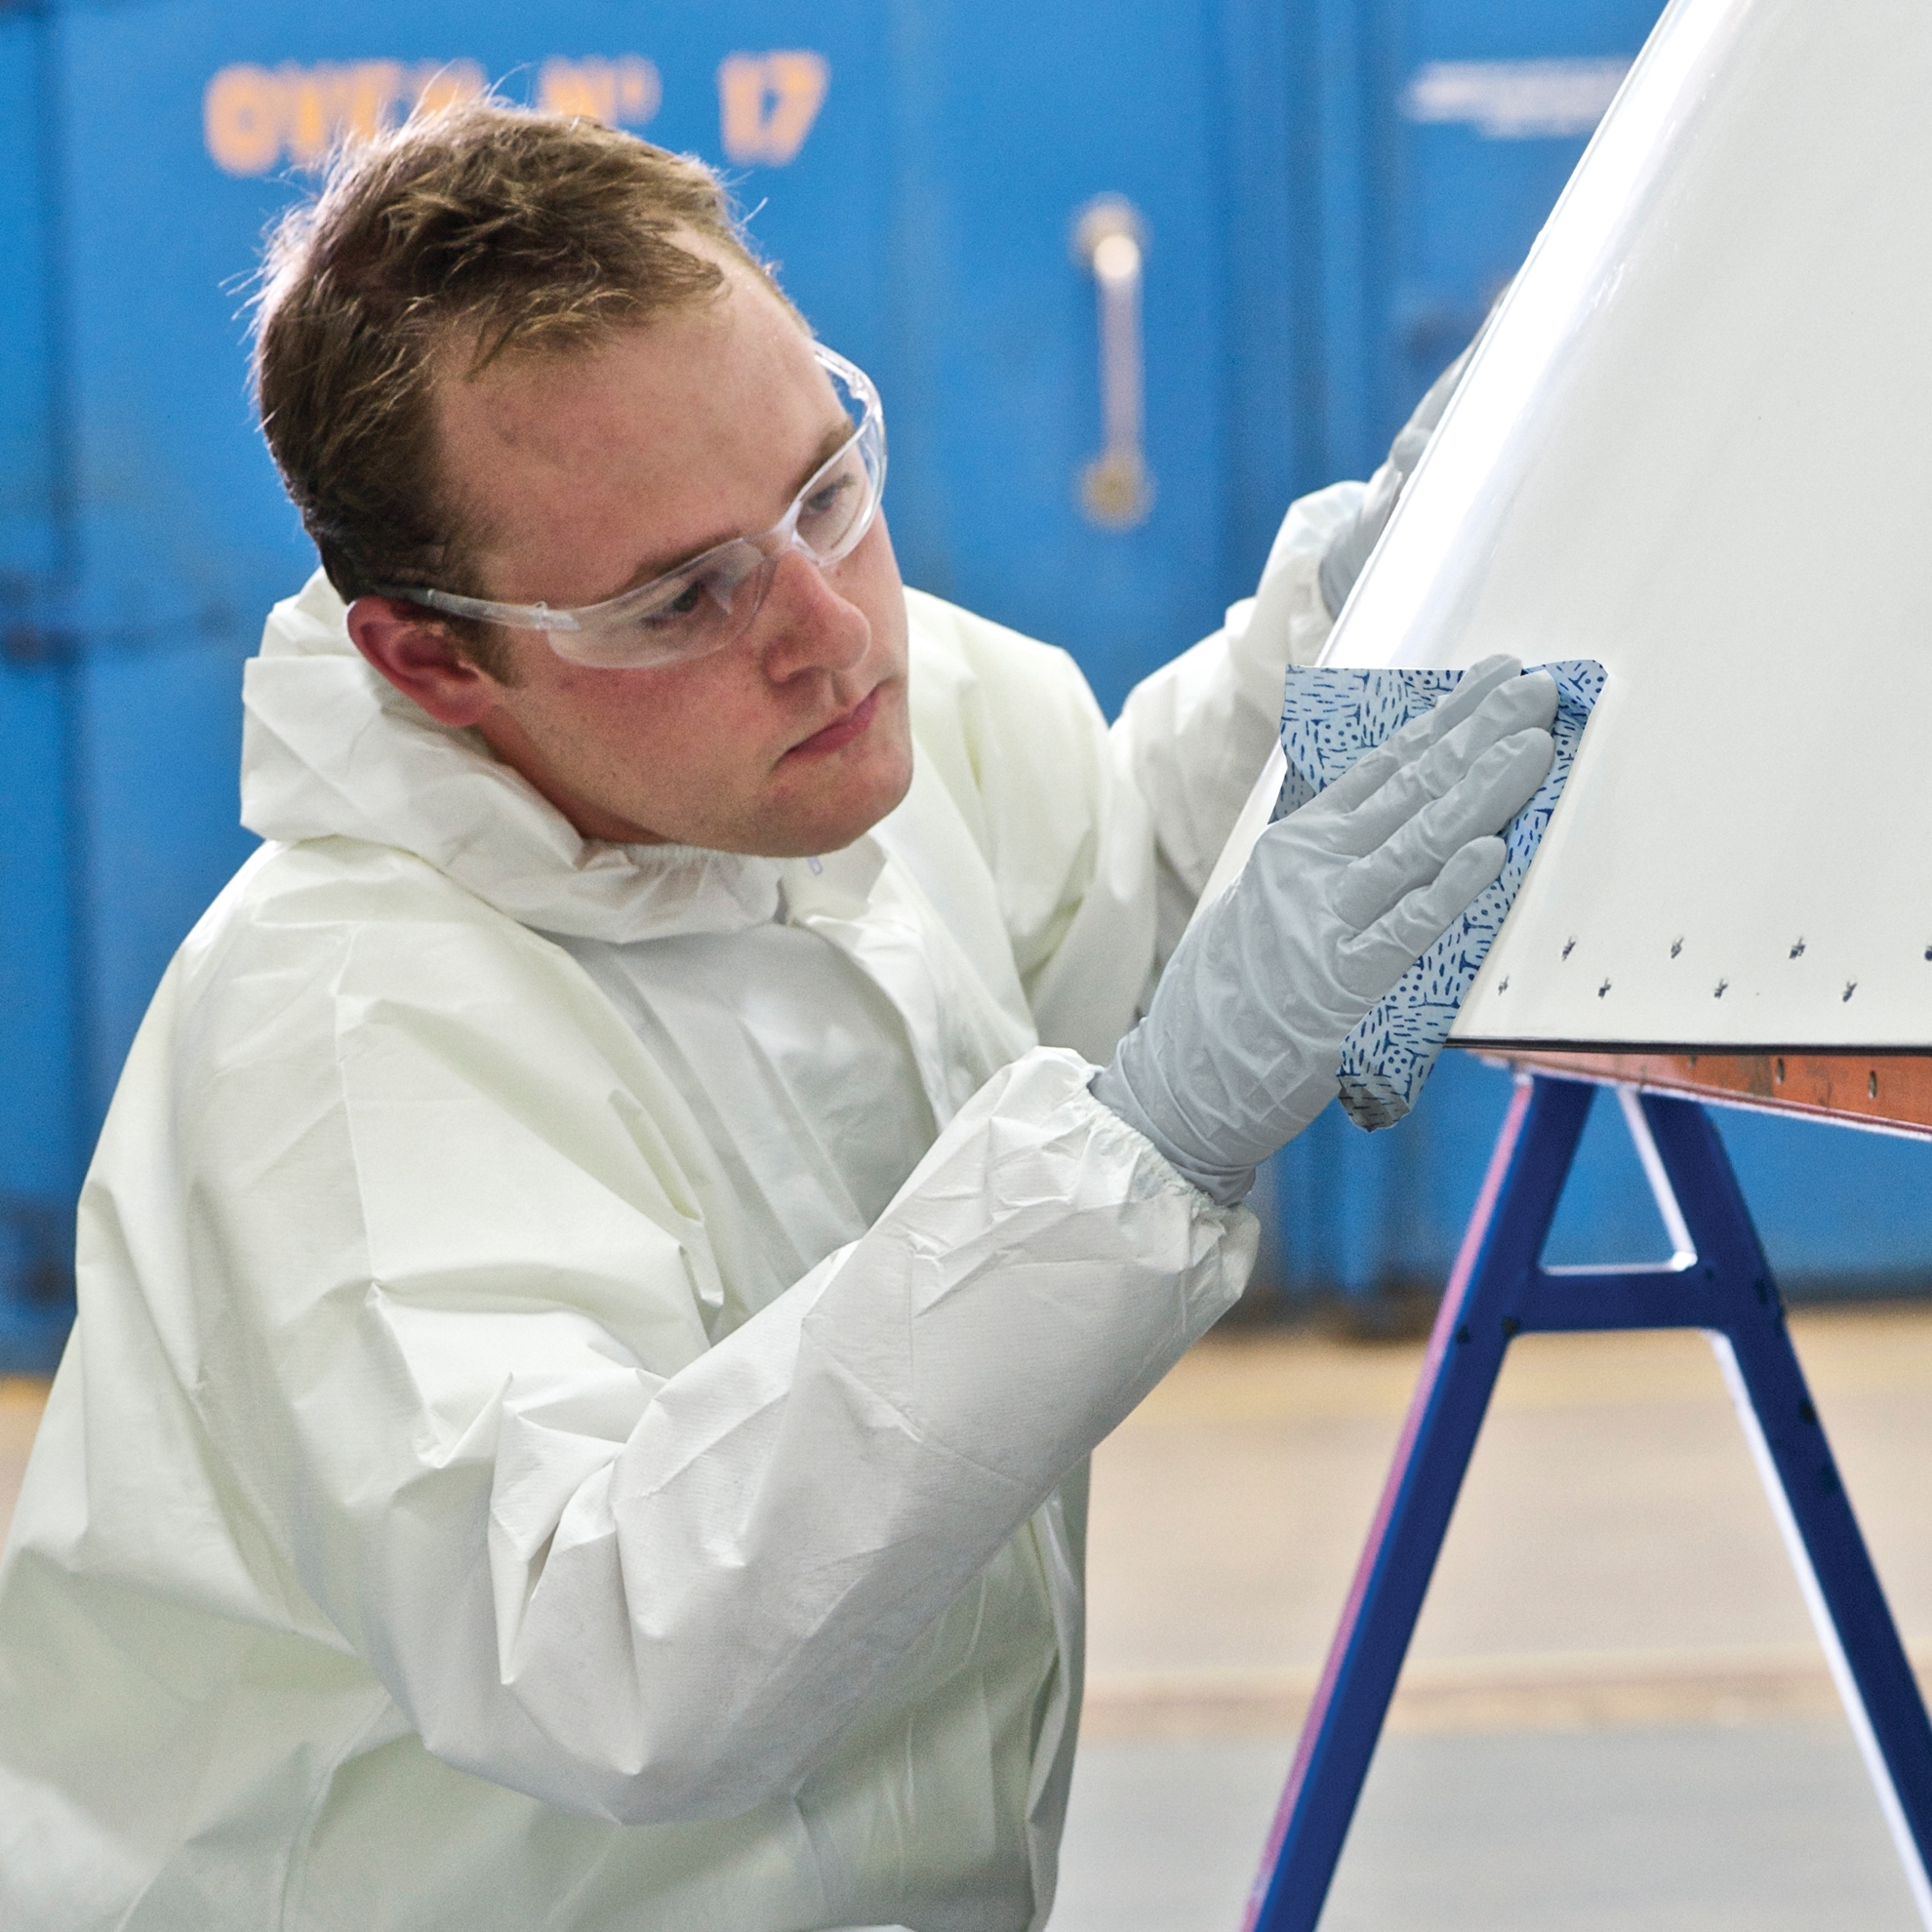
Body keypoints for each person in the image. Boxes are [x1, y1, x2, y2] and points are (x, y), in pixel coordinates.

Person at [0, 102, 1552, 1930]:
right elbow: (607, 1651)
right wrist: (1155, 1141)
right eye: (680, 596)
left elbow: (1100, 900)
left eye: (826, 488)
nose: (831, 630)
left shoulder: (853, 720)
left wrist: (1352, 611)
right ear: (432, 656)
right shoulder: (346, 1038)